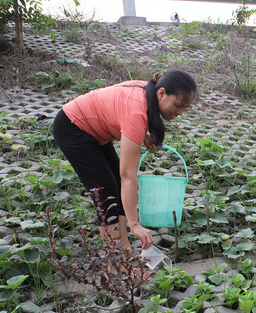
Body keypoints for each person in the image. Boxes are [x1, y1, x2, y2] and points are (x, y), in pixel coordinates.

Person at [52, 70, 197, 250]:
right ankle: (114, 261)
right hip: (73, 127)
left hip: (93, 128)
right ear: (162, 93)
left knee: (115, 186)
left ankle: (124, 250)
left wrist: (142, 134)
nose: (181, 112)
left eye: (186, 107)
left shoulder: (148, 91)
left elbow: (121, 112)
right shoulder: (137, 113)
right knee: (105, 192)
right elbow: (128, 175)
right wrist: (134, 224)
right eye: (178, 104)